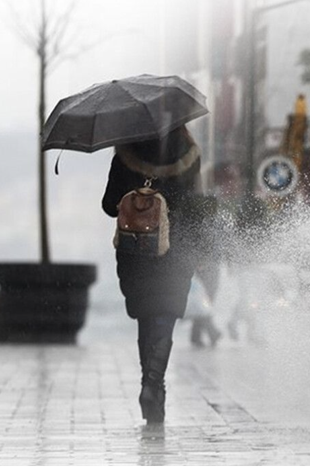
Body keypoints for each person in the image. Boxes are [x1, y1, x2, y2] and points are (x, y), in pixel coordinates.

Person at [101, 125, 202, 424]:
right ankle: (153, 385)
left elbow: (109, 205)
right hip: (176, 250)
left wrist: (136, 195)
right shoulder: (188, 155)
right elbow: (195, 207)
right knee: (164, 316)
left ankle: (151, 385)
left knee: (146, 318)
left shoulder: (125, 156)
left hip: (135, 252)